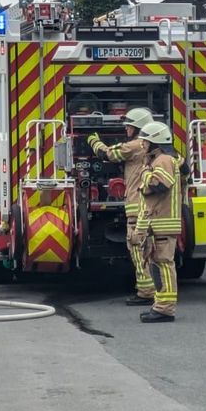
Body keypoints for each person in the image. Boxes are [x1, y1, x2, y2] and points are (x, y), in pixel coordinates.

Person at [87, 107, 155, 305]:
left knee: (136, 247)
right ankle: (153, 289)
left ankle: (145, 291)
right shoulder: (153, 146)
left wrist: (92, 139)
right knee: (151, 249)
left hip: (136, 205)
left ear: (138, 128)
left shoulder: (135, 146)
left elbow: (108, 153)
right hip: (152, 205)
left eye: (129, 126)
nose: (126, 129)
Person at [132, 122, 184, 323]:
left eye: (145, 140)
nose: (142, 144)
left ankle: (165, 309)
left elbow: (159, 185)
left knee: (163, 265)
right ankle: (160, 305)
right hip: (158, 223)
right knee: (157, 265)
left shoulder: (163, 160)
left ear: (155, 141)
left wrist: (144, 175)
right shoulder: (160, 159)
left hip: (163, 223)